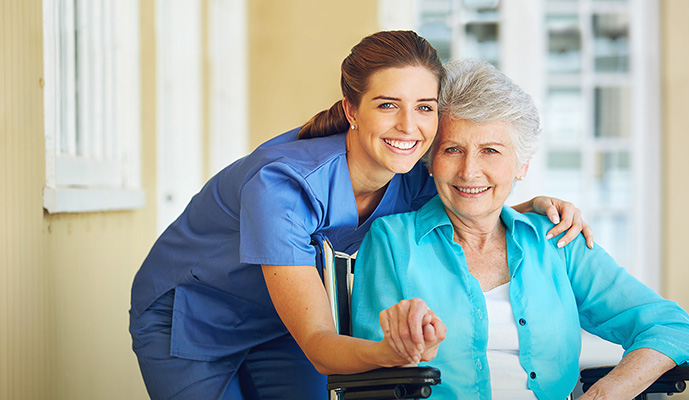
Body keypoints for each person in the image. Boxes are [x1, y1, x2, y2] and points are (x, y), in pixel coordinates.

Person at [129, 31, 591, 399]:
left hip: (282, 321)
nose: (409, 127)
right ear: (352, 109)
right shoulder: (283, 186)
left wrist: (528, 208)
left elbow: (472, 198)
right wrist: (387, 352)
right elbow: (318, 342)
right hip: (194, 319)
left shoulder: (411, 175)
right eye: (388, 105)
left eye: (424, 108)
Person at [351, 59, 689, 400]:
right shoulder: (392, 241)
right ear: (431, 162)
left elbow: (671, 327)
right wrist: (403, 348)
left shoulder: (558, 240)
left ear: (522, 165)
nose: (469, 171)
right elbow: (371, 373)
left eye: (490, 150)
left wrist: (603, 395)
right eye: (453, 149)